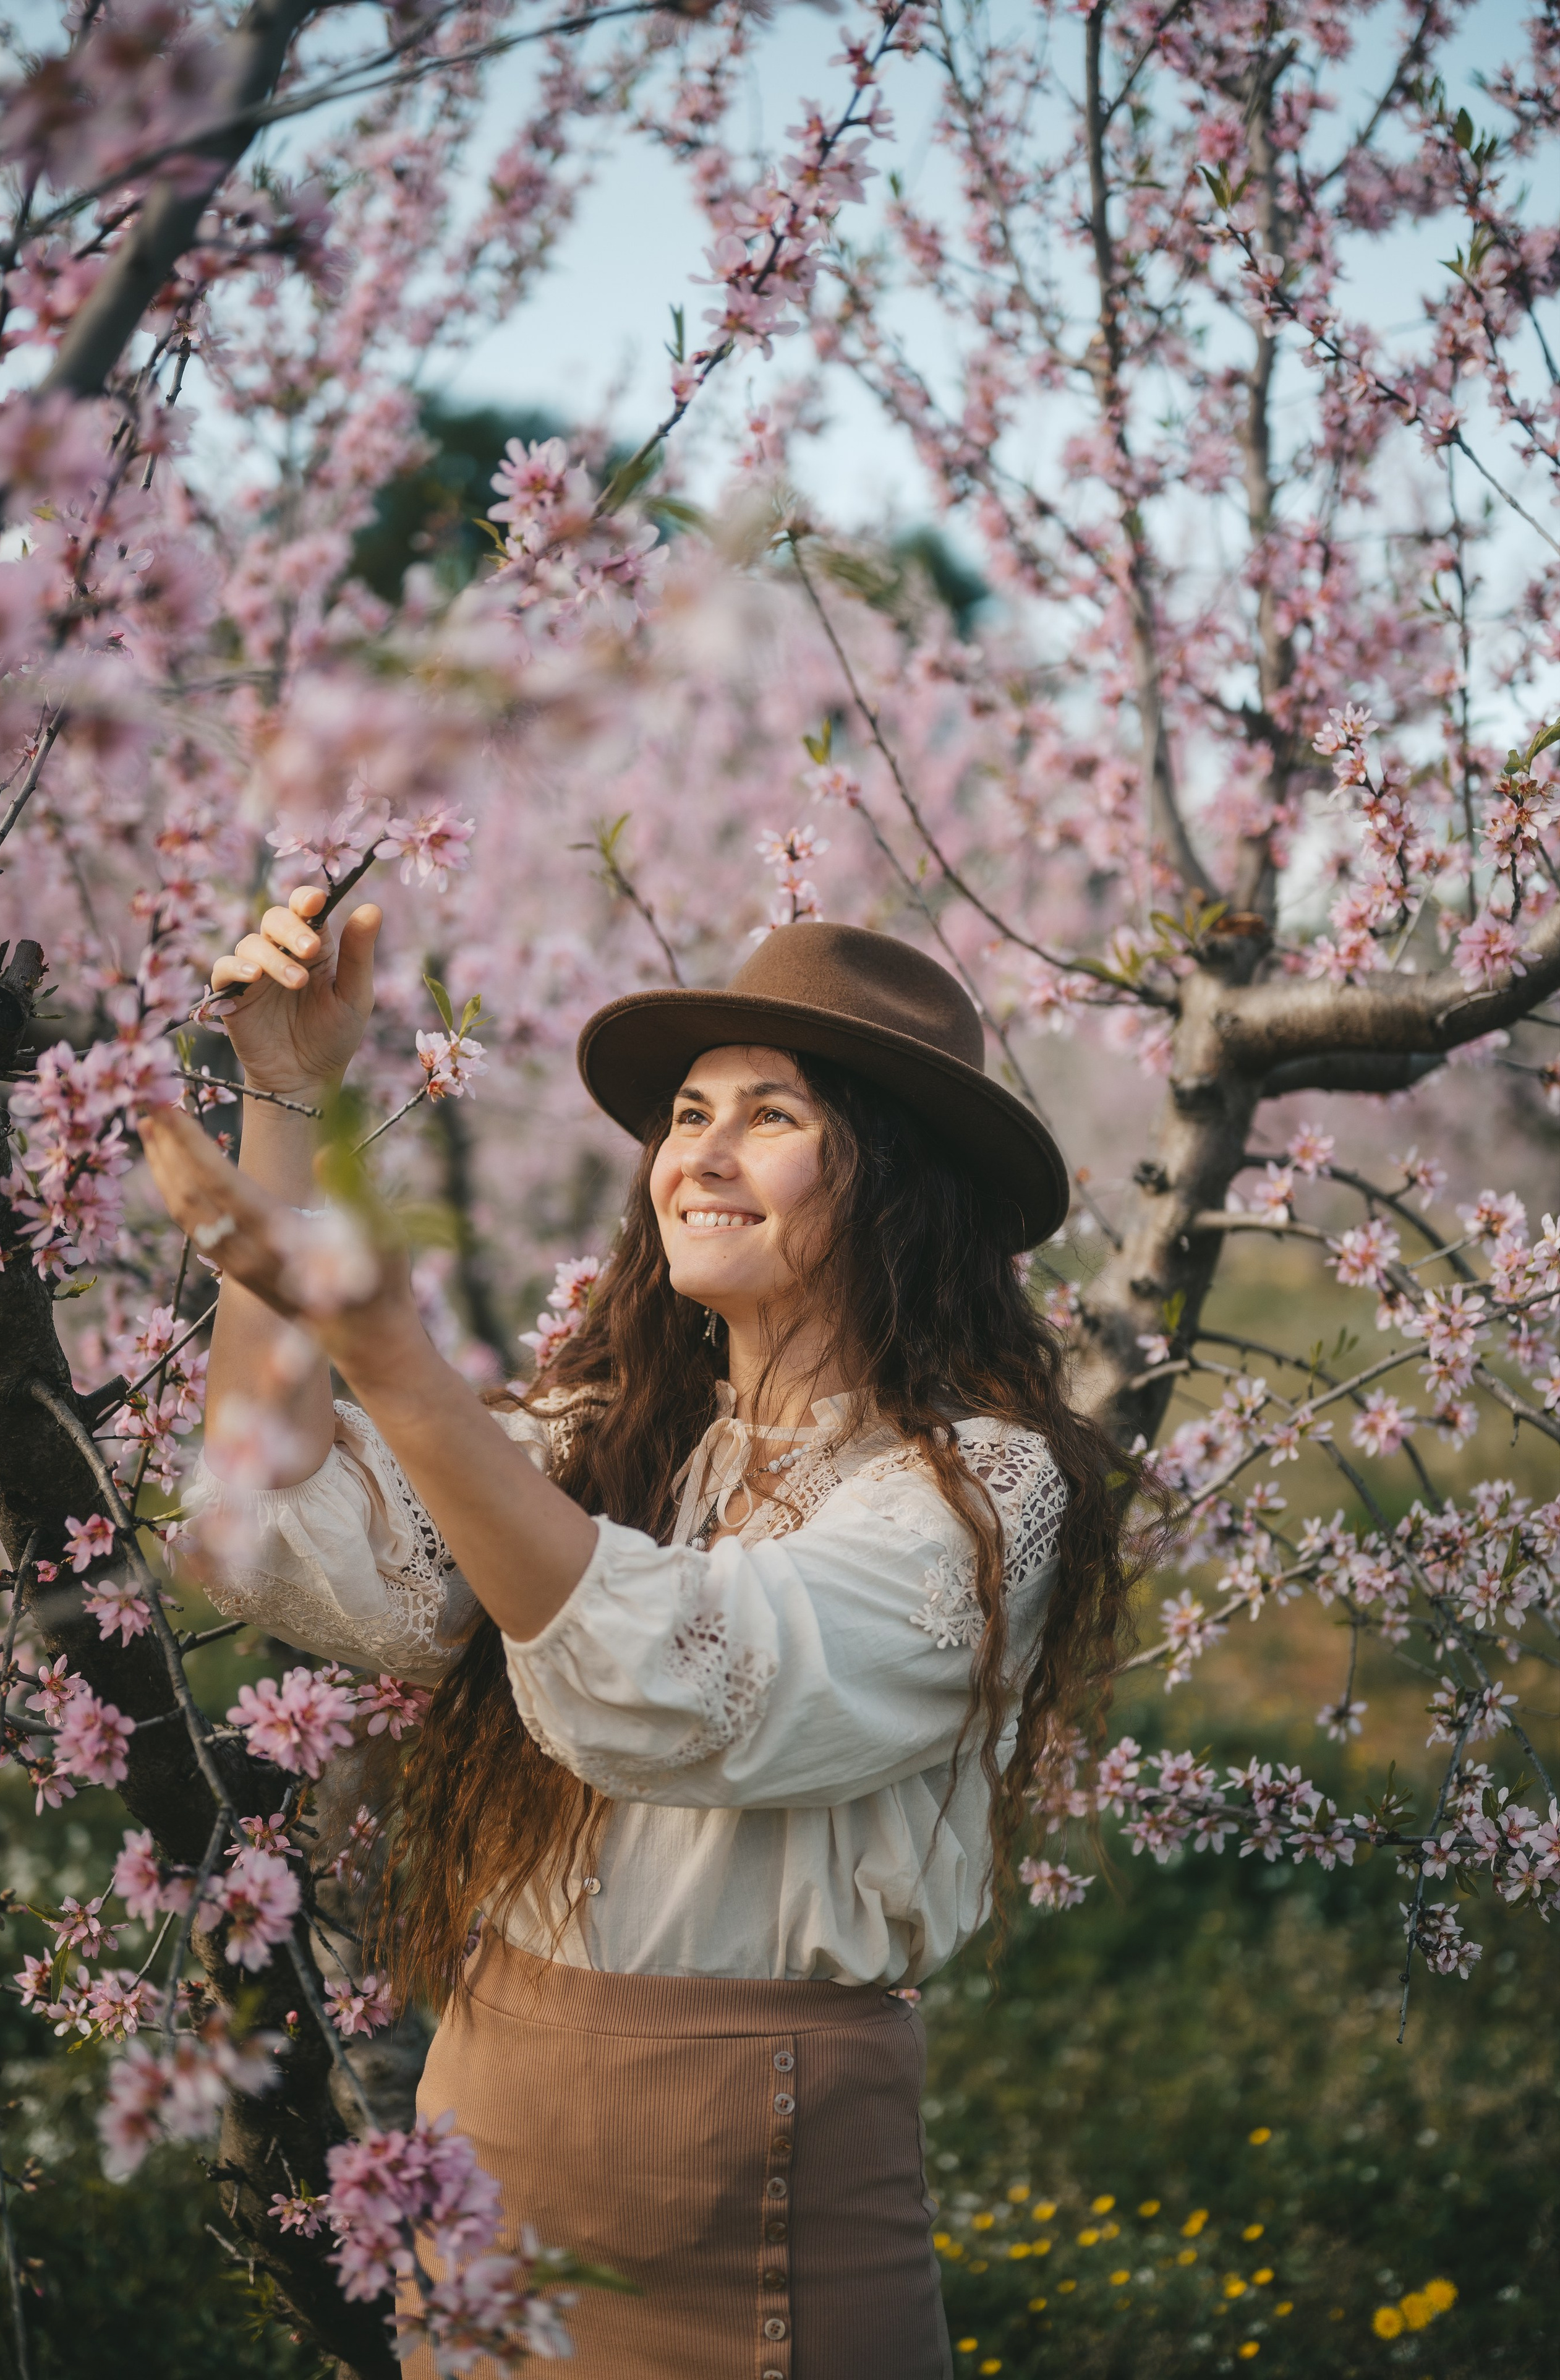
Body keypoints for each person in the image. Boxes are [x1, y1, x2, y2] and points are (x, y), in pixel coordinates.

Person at [139, 885, 1139, 2380]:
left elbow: (687, 1687)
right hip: (489, 2146)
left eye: (771, 1117)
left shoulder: (979, 1488)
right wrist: (280, 1102)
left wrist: (396, 1355)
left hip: (755, 2190)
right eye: (684, 1112)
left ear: (901, 1178)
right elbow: (270, 1526)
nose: (700, 1156)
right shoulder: (608, 1434)